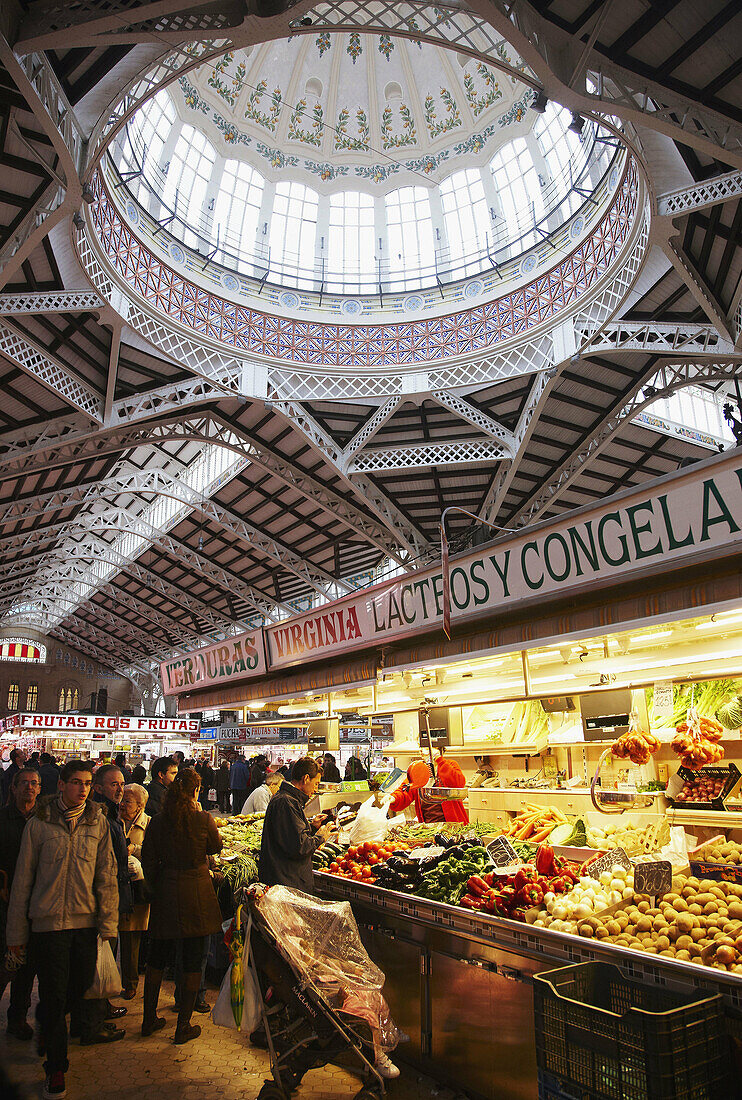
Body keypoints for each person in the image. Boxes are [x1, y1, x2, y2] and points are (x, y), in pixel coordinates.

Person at [6, 759, 120, 1100]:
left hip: (84, 924)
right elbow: (22, 882)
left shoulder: (97, 823)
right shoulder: (39, 825)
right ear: (62, 785)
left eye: (87, 783)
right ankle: (56, 1067)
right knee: (54, 994)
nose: (83, 789)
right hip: (47, 926)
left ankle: (49, 1022)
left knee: (80, 986)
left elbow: (106, 876)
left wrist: (109, 923)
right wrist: (16, 935)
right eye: (76, 782)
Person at [140, 768, 222, 1043]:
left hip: (166, 895)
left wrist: (158, 884)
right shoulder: (203, 819)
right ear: (195, 792)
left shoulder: (159, 821)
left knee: (156, 959)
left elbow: (148, 860)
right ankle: (182, 1026)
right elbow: (214, 847)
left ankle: (148, 1019)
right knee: (192, 961)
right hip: (196, 895)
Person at [89, 765, 132, 1031]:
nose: (119, 789)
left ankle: (101, 1006)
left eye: (121, 783)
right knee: (100, 952)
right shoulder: (99, 816)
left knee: (107, 950)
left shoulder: (112, 813)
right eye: (114, 784)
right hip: (103, 892)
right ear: (98, 788)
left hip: (113, 889)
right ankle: (93, 1016)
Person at [0, 767, 41, 1039]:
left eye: (34, 783)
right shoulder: (3, 819)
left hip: (36, 902)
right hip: (4, 902)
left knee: (27, 965)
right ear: (13, 788)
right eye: (23, 783)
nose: (29, 787)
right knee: (4, 962)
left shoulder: (44, 820)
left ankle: (17, 1016)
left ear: (40, 789)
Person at [258, 757, 336, 892]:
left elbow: (289, 836)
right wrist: (320, 836)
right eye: (316, 783)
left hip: (286, 879)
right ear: (306, 778)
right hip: (287, 882)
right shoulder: (286, 802)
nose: (315, 789)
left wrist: (312, 827)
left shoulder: (288, 799)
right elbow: (299, 847)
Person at [118, 783, 150, 999]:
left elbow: (155, 852)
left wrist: (136, 850)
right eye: (122, 799)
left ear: (140, 805)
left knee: (131, 938)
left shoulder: (149, 824)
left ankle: (130, 982)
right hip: (115, 886)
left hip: (137, 888)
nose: (122, 804)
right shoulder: (113, 820)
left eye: (127, 801)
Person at [389, 754, 469, 824]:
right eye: (421, 747)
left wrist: (439, 759)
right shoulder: (418, 771)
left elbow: (459, 783)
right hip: (429, 827)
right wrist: (393, 798)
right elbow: (406, 790)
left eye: (427, 747)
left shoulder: (449, 765)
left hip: (453, 826)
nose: (422, 751)